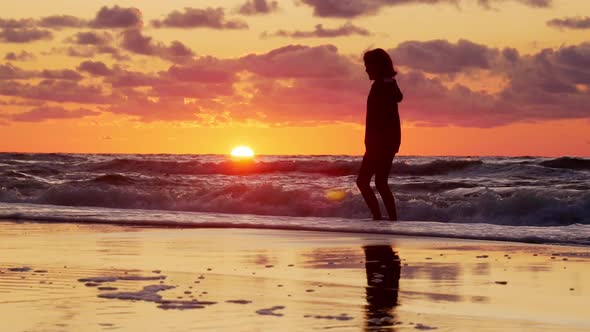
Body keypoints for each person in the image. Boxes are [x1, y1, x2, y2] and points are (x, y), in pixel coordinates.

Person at [356, 48, 403, 221]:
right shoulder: (387, 83)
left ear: (378, 65)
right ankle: (389, 220)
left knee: (364, 182)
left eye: (368, 65)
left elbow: (383, 118)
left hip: (381, 142)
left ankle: (380, 218)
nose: (366, 69)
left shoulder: (383, 85)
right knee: (379, 182)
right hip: (386, 141)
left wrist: (373, 142)